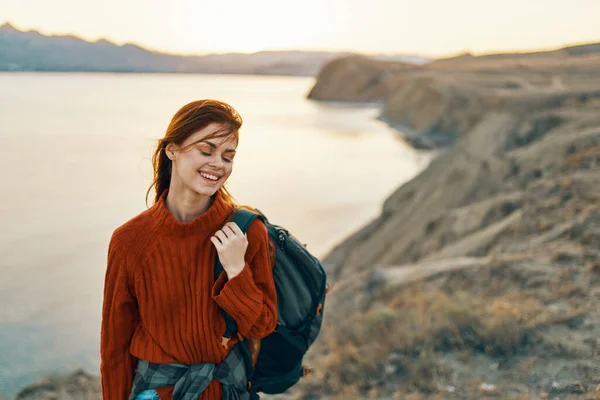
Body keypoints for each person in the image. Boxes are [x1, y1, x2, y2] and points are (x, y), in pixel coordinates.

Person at [100, 99, 278, 400]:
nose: (218, 164)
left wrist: (237, 272)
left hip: (225, 391)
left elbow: (261, 325)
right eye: (206, 151)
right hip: (154, 392)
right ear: (172, 150)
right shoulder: (129, 240)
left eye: (227, 156)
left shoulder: (247, 231)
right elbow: (115, 347)